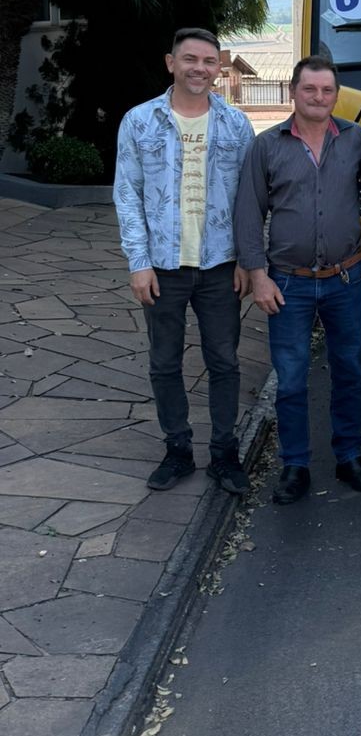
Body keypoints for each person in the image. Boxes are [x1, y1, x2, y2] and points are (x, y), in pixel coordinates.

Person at [234, 57, 361, 504]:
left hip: (345, 279)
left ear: (335, 95)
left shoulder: (356, 139)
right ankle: (295, 465)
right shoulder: (267, 147)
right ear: (293, 92)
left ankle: (349, 456)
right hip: (288, 284)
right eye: (310, 90)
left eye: (326, 91)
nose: (319, 98)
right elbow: (248, 212)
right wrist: (258, 275)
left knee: (349, 371)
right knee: (293, 378)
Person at [114, 28, 255, 495]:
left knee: (224, 362)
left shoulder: (236, 125)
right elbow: (127, 195)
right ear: (170, 62)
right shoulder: (139, 122)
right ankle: (177, 450)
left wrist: (246, 261)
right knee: (164, 363)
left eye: (209, 61)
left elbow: (250, 202)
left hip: (220, 266)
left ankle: (224, 452)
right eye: (190, 59)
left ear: (220, 68)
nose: (200, 68)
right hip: (162, 268)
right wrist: (139, 262)